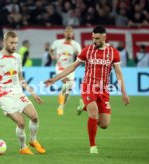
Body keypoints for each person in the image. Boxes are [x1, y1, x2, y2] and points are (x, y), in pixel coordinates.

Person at [45, 26, 130, 154]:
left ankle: (83, 105)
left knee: (104, 124)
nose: (94, 41)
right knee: (94, 113)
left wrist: (124, 93)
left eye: (97, 38)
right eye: (93, 38)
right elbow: (72, 67)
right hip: (88, 86)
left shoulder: (113, 53)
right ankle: (92, 146)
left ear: (104, 37)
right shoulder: (87, 50)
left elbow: (118, 73)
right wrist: (55, 78)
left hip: (103, 90)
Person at [0, 31, 45, 155]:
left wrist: (32, 93)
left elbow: (21, 78)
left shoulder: (17, 57)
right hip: (4, 96)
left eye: (16, 43)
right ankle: (23, 148)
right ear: (4, 42)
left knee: (34, 117)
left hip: (18, 93)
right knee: (21, 122)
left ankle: (33, 140)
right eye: (11, 43)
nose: (14, 45)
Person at [49, 26, 81, 116]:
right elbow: (51, 50)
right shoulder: (58, 42)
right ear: (64, 33)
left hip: (70, 68)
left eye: (70, 31)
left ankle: (61, 106)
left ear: (72, 34)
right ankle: (61, 96)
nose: (68, 33)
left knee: (69, 87)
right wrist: (52, 55)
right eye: (67, 31)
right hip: (60, 67)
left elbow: (81, 56)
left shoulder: (76, 45)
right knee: (66, 81)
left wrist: (77, 55)